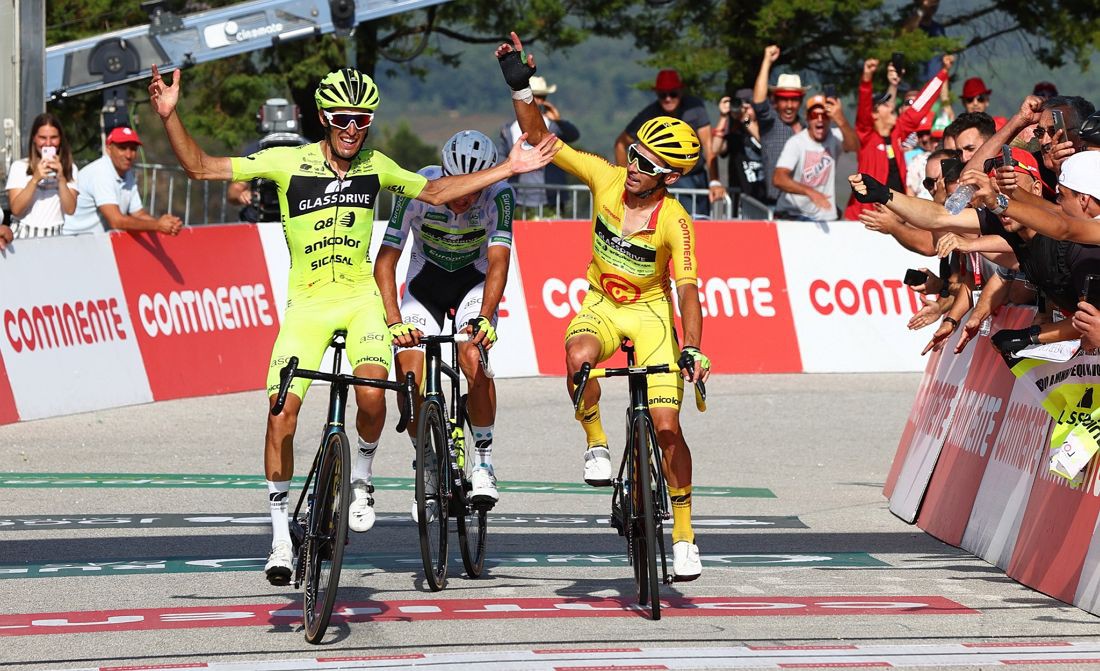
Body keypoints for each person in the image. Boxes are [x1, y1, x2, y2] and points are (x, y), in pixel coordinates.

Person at [148, 64, 556, 586]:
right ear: (323, 117)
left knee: (372, 399)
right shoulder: (285, 162)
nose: (351, 128)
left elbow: (434, 193)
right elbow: (202, 167)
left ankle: (361, 479)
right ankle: (278, 539)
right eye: (342, 118)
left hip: (362, 301)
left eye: (362, 120)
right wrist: (170, 115)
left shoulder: (375, 164)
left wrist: (508, 168)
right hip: (308, 307)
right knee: (281, 417)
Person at [496, 32, 711, 580]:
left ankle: (684, 533)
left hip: (652, 313)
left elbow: (687, 289)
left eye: (649, 162)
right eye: (636, 152)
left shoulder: (674, 221)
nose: (635, 163)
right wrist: (520, 85)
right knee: (578, 356)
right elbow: (542, 140)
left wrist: (693, 348)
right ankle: (595, 440)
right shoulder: (606, 178)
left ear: (671, 176)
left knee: (666, 427)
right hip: (602, 304)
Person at [375, 130, 513, 512]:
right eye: (455, 186)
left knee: (473, 356)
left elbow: (499, 260)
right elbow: (386, 260)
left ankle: (483, 461)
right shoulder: (417, 189)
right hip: (425, 285)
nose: (462, 198)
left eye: (471, 190)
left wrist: (484, 318)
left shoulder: (499, 194)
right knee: (410, 378)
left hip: (474, 283)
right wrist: (394, 321)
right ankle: (429, 461)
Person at [844, 54, 951, 219]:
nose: (891, 104)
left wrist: (943, 73)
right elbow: (864, 108)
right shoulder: (866, 136)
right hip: (864, 216)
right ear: (874, 114)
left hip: (895, 216)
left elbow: (922, 104)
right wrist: (867, 78)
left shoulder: (898, 132)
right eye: (885, 103)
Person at [614, 68, 724, 215]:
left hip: (697, 175)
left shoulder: (695, 109)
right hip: (665, 178)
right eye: (662, 94)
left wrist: (714, 181)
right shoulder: (650, 114)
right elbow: (621, 144)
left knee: (701, 220)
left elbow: (709, 148)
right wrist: (625, 177)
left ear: (681, 92)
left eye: (673, 94)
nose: (668, 99)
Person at [64, 126, 183, 236]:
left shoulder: (126, 172)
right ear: (109, 149)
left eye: (133, 149)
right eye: (122, 148)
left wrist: (168, 224)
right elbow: (116, 221)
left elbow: (138, 214)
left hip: (93, 242)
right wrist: (157, 225)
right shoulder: (100, 172)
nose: (128, 155)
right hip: (71, 241)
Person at [772, 94, 858, 222]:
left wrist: (841, 120)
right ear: (807, 119)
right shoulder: (796, 142)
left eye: (824, 115)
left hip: (823, 216)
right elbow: (778, 178)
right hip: (793, 214)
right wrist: (810, 192)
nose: (819, 120)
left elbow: (854, 146)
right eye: (814, 115)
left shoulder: (835, 137)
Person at [499, 76, 579, 210]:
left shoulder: (554, 126)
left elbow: (573, 135)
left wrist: (559, 121)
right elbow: (501, 159)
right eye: (536, 96)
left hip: (552, 198)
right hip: (518, 198)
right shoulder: (509, 130)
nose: (541, 101)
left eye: (543, 97)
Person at [5, 113, 79, 239]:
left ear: (60, 138)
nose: (48, 143)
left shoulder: (70, 168)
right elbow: (16, 209)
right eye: (43, 138)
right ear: (34, 138)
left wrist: (61, 179)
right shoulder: (19, 166)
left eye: (54, 137)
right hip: (23, 234)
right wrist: (35, 179)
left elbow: (70, 209)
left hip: (54, 235)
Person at [752, 45, 807, 206]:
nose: (789, 105)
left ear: (801, 101)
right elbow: (758, 102)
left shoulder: (808, 128)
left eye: (794, 99)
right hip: (775, 205)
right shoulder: (771, 124)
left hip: (805, 204)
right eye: (784, 99)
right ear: (775, 101)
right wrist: (767, 61)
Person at [711, 89, 766, 205]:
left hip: (763, 197)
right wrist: (723, 116)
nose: (744, 110)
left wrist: (744, 119)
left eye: (748, 105)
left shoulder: (767, 128)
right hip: (740, 200)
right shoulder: (734, 133)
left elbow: (764, 142)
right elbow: (715, 149)